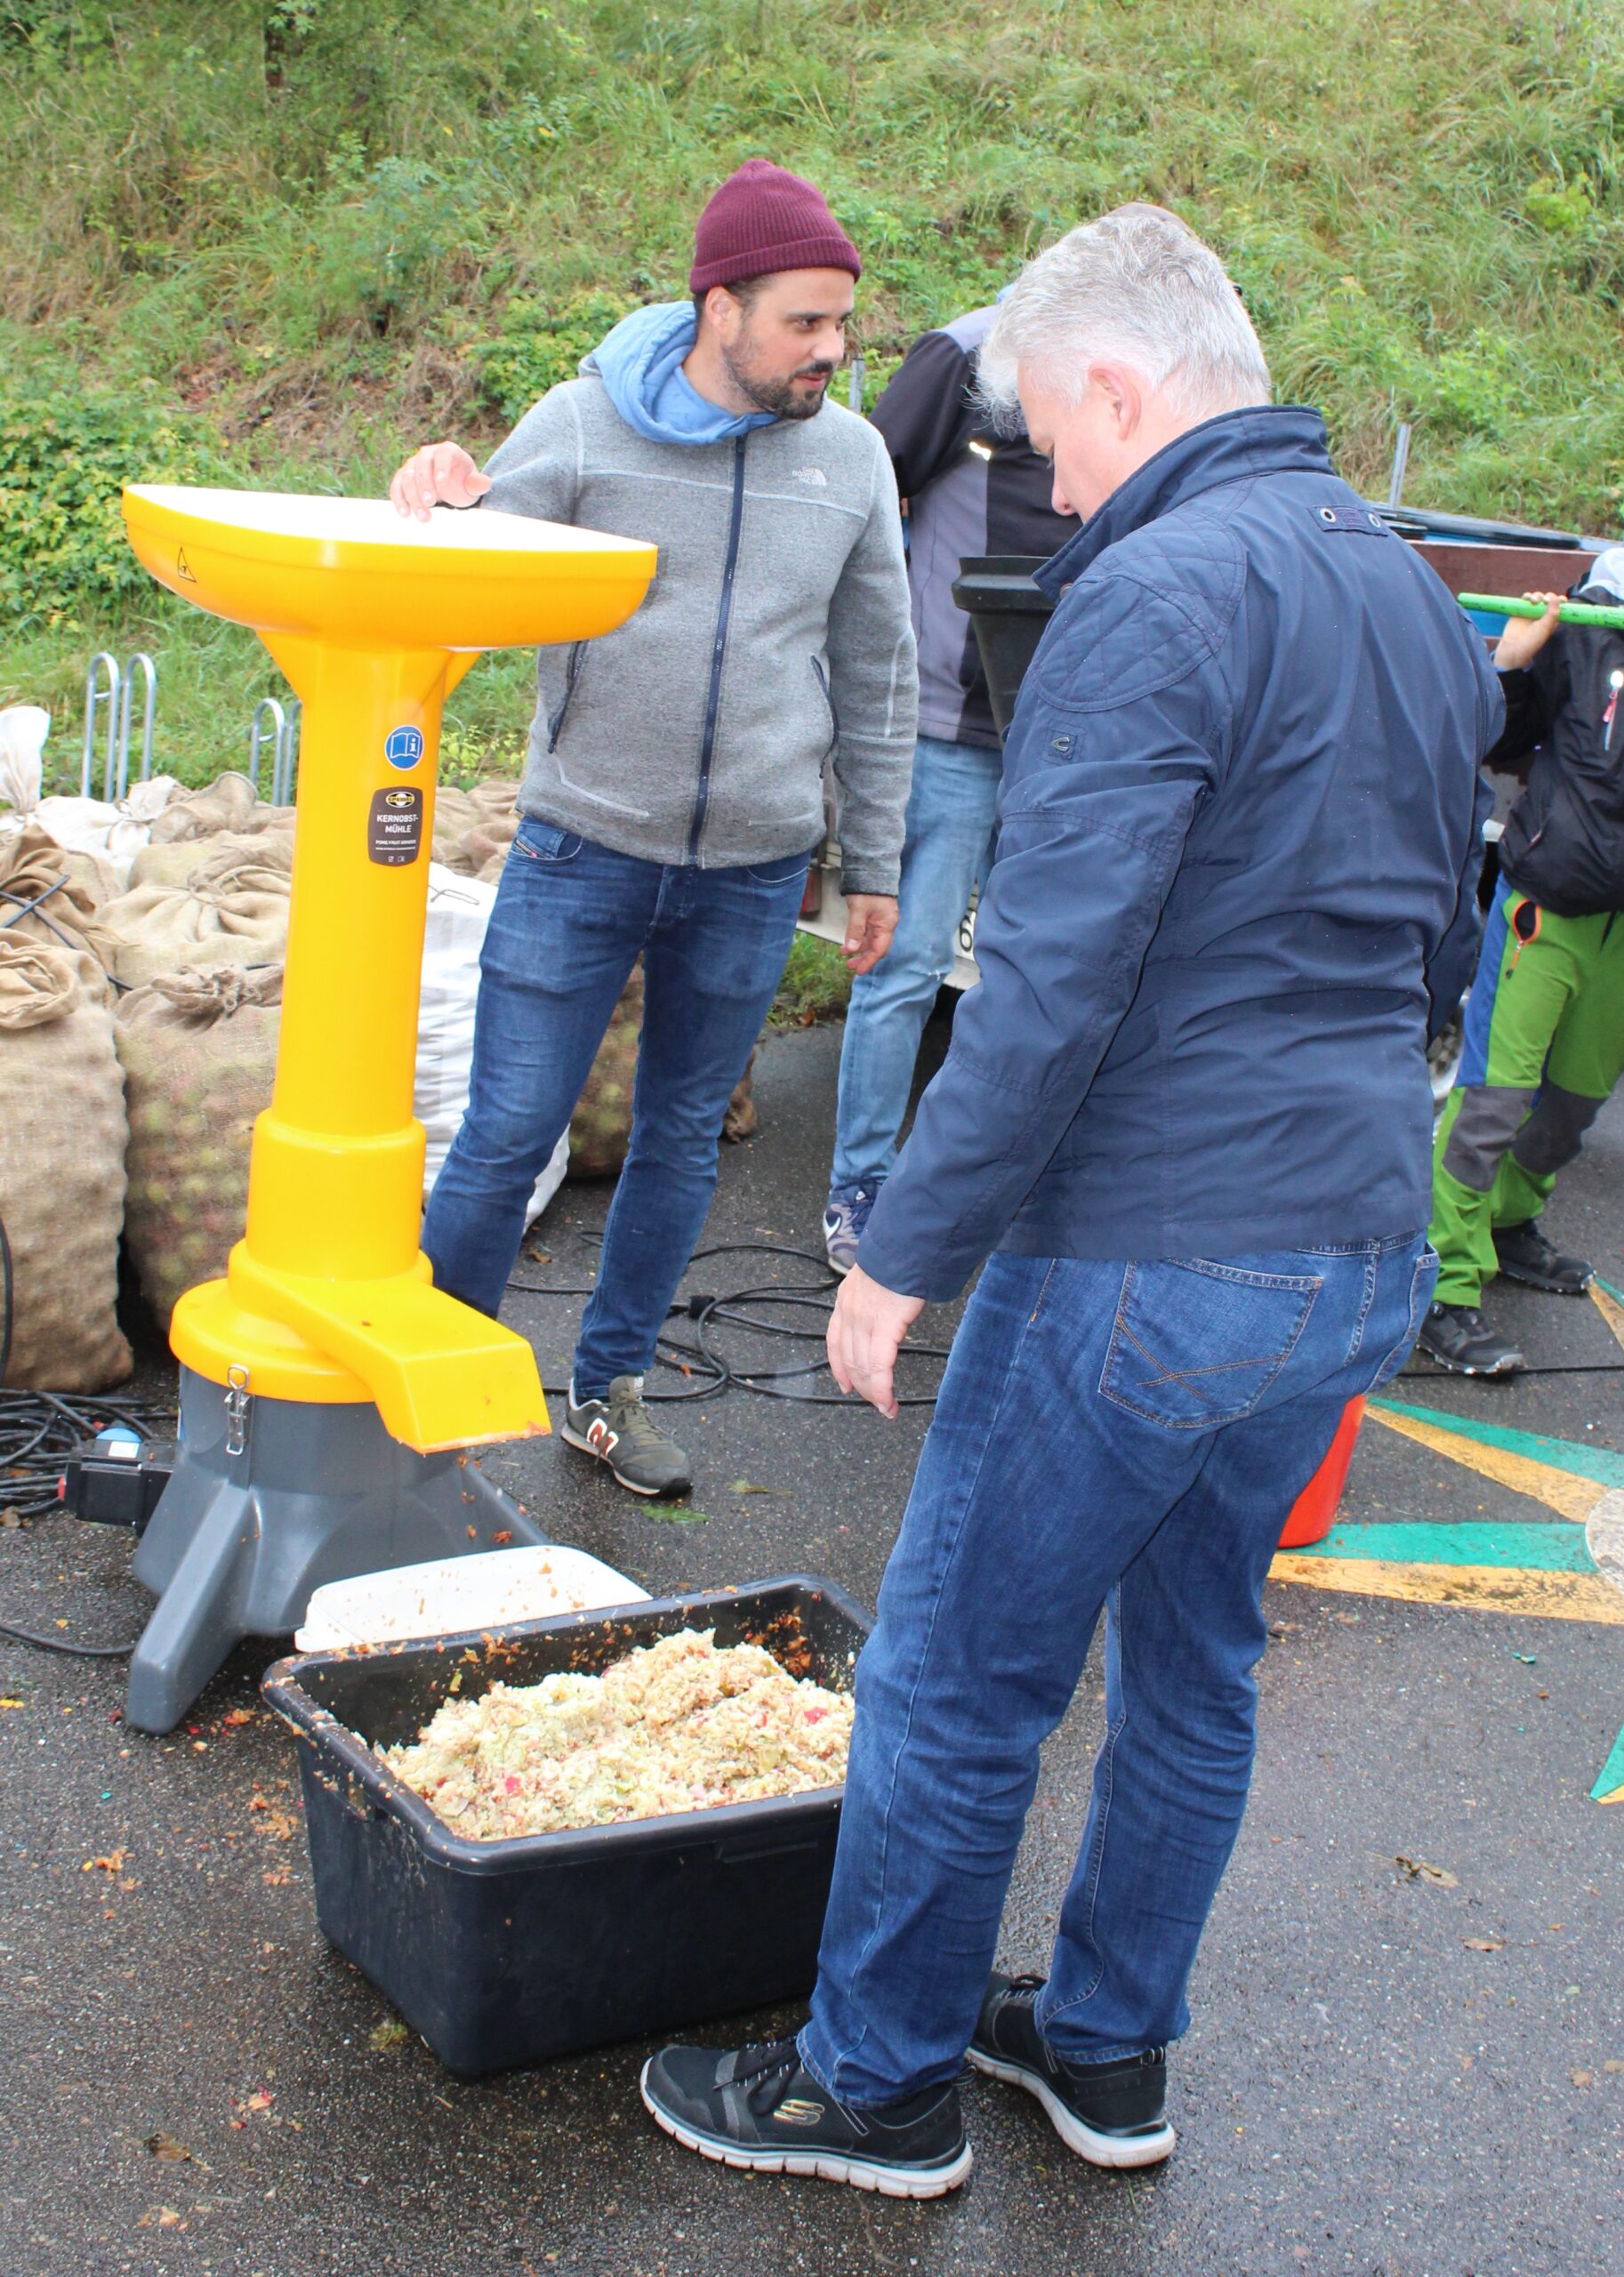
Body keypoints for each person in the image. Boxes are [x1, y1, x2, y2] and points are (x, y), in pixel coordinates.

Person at [639, 205, 1501, 2195]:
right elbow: (1439, 935)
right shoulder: (1402, 576)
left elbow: (1043, 978)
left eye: (1048, 434)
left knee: (956, 1677)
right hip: (1351, 1241)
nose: (1049, 474)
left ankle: (875, 2089)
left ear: (1118, 383)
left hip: (1148, 1250)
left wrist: (904, 1252)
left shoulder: (1151, 587)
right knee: (1197, 1664)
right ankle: (1108, 2050)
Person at [389, 160, 917, 1498]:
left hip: (753, 869)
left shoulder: (849, 458)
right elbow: (458, 573)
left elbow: (879, 672)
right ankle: (428, 1393)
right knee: (507, 1130)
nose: (831, 350)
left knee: (681, 1140)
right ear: (719, 305)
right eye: (803, 321)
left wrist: (874, 862)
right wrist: (438, 485)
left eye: (841, 322)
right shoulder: (580, 427)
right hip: (580, 847)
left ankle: (608, 1388)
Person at [822, 306, 1077, 1271]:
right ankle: (862, 1185)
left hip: (1060, 734)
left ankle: (993, 1188)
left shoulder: (1120, 373)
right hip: (945, 722)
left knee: (1038, 979)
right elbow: (864, 491)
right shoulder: (964, 357)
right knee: (906, 967)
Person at [1419, 565, 1624, 1374]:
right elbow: (1491, 734)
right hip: (1548, 904)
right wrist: (1508, 663)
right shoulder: (1587, 624)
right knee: (1493, 1101)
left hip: (1619, 932)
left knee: (1571, 1109)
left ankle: (1508, 1222)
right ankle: (1444, 1282)